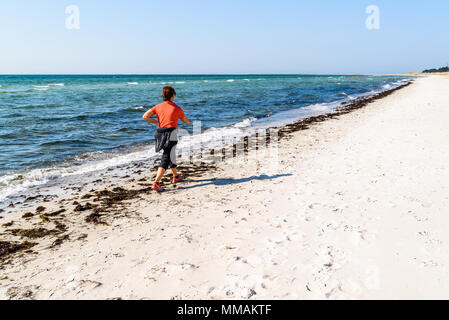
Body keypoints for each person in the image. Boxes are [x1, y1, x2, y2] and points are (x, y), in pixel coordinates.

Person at [143, 86, 191, 192]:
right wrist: (189, 121)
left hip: (160, 133)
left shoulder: (158, 106)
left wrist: (157, 122)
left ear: (163, 96)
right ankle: (156, 183)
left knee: (170, 154)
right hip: (171, 133)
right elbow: (184, 120)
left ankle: (176, 176)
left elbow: (145, 116)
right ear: (173, 95)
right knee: (166, 157)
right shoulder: (177, 108)